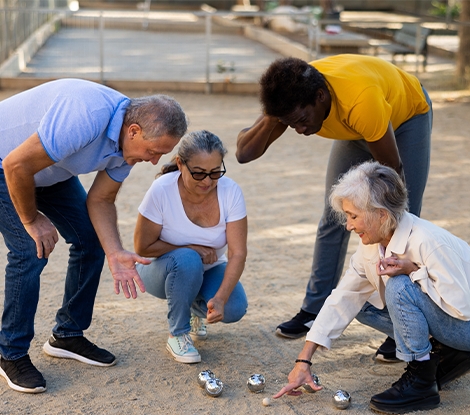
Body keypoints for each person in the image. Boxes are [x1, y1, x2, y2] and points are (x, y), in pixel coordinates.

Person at [236, 54, 433, 362]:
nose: (299, 130)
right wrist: (273, 118)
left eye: (302, 120)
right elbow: (244, 153)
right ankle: (314, 308)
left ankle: (403, 326)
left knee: (399, 222)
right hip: (355, 127)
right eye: (291, 123)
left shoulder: (360, 101)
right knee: (334, 215)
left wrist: (382, 222)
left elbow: (392, 175)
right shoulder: (294, 97)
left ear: (321, 96)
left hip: (405, 117)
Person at [0, 78, 188, 393]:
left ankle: (67, 335)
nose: (154, 161)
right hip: (6, 165)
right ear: (134, 132)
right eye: (154, 152)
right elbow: (16, 164)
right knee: (29, 247)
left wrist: (114, 252)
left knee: (91, 242)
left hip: (47, 170)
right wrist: (32, 219)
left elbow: (101, 200)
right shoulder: (84, 114)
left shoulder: (128, 147)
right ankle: (10, 353)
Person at [274, 161, 470, 414]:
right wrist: (304, 360)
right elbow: (343, 297)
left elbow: (461, 308)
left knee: (399, 287)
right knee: (361, 302)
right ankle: (447, 354)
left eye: (353, 216)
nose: (348, 225)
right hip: (450, 325)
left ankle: (421, 382)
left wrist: (413, 271)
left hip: (465, 324)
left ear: (381, 215)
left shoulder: (427, 242)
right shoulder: (372, 243)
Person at [134, 130, 248, 363]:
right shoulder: (162, 190)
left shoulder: (230, 191)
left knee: (234, 308)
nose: (207, 181)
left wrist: (221, 298)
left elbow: (238, 253)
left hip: (209, 269)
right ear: (180, 164)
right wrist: (191, 247)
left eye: (215, 172)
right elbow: (143, 247)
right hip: (159, 270)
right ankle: (177, 333)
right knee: (187, 258)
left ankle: (194, 308)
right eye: (198, 173)